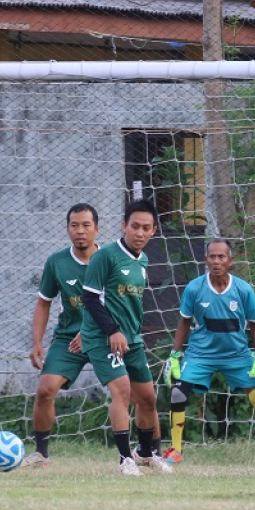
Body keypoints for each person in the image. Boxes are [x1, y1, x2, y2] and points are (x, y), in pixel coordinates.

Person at [160, 238, 255, 466]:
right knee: (178, 393)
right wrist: (174, 354)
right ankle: (175, 451)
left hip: (237, 354)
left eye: (221, 257)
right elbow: (184, 322)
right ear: (205, 260)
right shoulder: (194, 288)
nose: (216, 261)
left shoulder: (243, 290)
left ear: (231, 261)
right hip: (201, 354)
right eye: (212, 257)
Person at [80, 200, 170, 476]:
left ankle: (145, 453)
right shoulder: (104, 256)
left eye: (146, 228)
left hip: (131, 339)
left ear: (153, 230)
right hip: (103, 337)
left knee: (148, 399)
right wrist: (112, 331)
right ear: (124, 226)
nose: (139, 233)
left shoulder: (142, 260)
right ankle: (124, 459)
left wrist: (128, 333)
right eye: (134, 227)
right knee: (122, 391)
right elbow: (90, 299)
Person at [23, 204, 100, 467]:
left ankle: (146, 451)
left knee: (137, 392)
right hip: (69, 339)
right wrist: (36, 343)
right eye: (74, 225)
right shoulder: (57, 262)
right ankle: (41, 454)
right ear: (67, 229)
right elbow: (43, 303)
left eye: (86, 225)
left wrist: (90, 331)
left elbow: (119, 305)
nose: (80, 231)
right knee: (45, 390)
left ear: (96, 229)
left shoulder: (111, 260)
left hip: (106, 336)